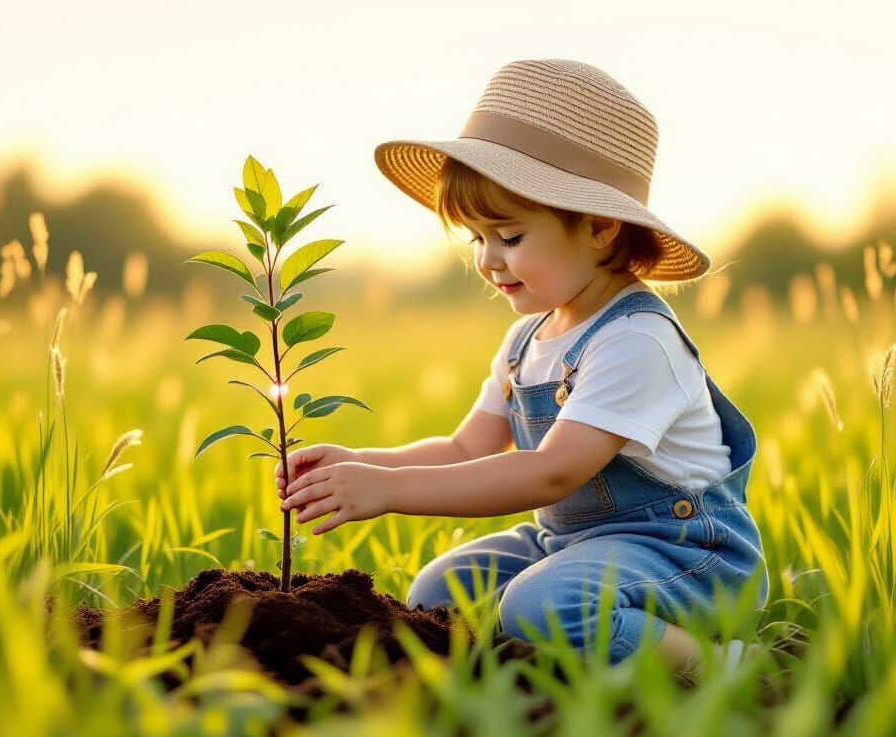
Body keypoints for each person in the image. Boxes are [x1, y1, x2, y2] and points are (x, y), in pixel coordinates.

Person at [276, 58, 769, 680]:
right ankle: (547, 670)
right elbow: (462, 449)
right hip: (573, 545)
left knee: (543, 604)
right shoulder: (524, 340)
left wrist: (388, 492)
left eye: (508, 236)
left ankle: (719, 664)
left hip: (684, 557)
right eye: (476, 238)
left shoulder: (636, 340)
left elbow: (549, 473)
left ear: (599, 227)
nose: (487, 260)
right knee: (439, 594)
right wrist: (361, 463)